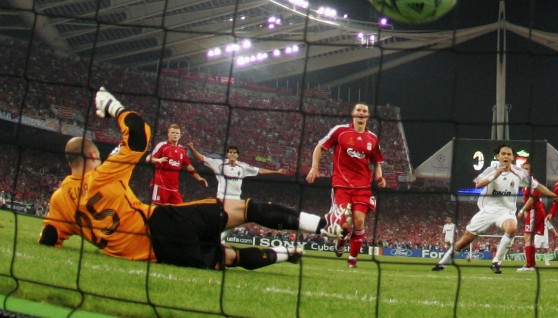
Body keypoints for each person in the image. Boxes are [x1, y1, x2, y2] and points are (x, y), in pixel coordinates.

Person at [40, 88, 332, 270]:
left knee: (230, 258)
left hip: (158, 255)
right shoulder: (105, 173)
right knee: (247, 209)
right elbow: (139, 134)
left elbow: (50, 238)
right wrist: (113, 107)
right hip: (162, 223)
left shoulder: (59, 200)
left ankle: (286, 254)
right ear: (93, 155)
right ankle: (322, 226)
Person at [432, 145, 557, 273]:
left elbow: (538, 186)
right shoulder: (490, 170)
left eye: (509, 154)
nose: (506, 156)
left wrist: (555, 196)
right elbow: (478, 184)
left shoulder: (519, 173)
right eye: (503, 154)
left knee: (511, 228)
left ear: (513, 157)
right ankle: (442, 263)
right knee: (465, 240)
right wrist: (495, 175)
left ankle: (496, 262)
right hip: (488, 210)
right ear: (498, 156)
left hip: (506, 211)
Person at [306, 102, 386, 269]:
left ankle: (352, 260)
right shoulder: (340, 131)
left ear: (368, 116)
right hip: (341, 185)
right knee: (344, 225)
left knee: (359, 221)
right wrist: (314, 167)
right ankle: (341, 241)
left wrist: (379, 175)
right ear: (353, 113)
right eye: (358, 110)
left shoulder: (372, 138)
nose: (361, 113)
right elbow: (320, 147)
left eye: (364, 111)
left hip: (363, 187)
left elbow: (376, 161)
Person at [189, 144, 286, 201]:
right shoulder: (219, 164)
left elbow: (260, 170)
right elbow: (203, 158)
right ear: (227, 154)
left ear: (237, 155)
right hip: (222, 197)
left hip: (236, 198)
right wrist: (192, 149)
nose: (232, 154)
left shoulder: (243, 167)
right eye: (230, 152)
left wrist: (276, 172)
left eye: (234, 153)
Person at [146, 124, 207, 204]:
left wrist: (199, 178)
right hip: (160, 185)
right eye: (173, 132)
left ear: (180, 135)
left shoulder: (182, 150)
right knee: (156, 208)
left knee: (180, 209)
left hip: (174, 188)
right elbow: (148, 158)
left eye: (177, 133)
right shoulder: (162, 145)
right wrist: (158, 160)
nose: (175, 135)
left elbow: (189, 166)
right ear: (168, 134)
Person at [517, 159, 550, 271]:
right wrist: (526, 211)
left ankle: (529, 265)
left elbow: (532, 198)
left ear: (531, 172)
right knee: (528, 237)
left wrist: (522, 210)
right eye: (523, 169)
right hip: (532, 211)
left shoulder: (533, 182)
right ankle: (531, 264)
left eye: (527, 169)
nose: (524, 171)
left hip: (535, 211)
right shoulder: (524, 184)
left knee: (528, 237)